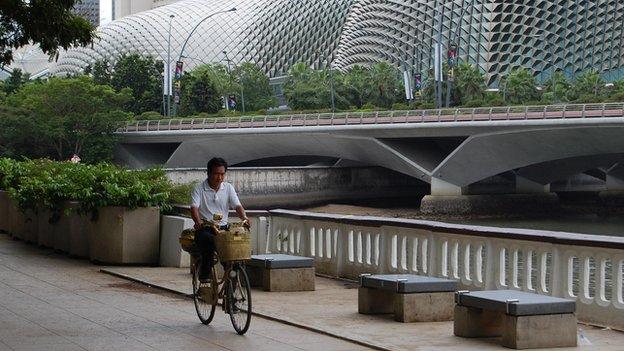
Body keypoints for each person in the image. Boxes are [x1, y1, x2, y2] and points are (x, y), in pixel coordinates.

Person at [190, 157, 249, 282]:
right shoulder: (199, 189)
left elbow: (237, 205)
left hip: (223, 229)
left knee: (234, 253)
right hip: (206, 228)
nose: (220, 178)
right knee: (208, 243)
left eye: (222, 174)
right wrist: (198, 222)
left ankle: (232, 291)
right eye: (216, 174)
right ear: (209, 173)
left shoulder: (228, 188)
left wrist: (244, 217)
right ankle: (204, 276)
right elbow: (194, 207)